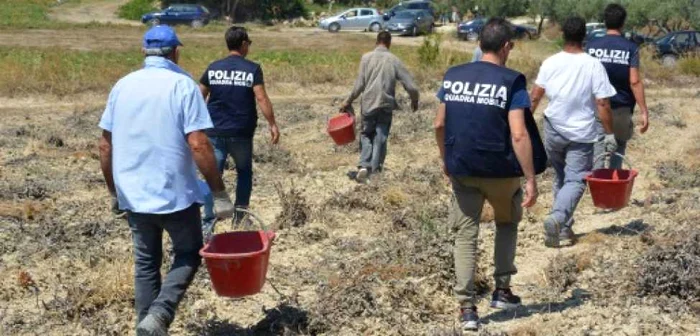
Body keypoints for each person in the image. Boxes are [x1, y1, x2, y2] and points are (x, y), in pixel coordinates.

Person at [98, 25, 235, 335]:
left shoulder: (122, 86)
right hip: (174, 194)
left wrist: (113, 192)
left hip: (134, 194)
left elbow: (105, 146)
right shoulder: (183, 86)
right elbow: (199, 144)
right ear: (176, 52)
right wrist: (219, 192)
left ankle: (145, 328)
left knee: (146, 265)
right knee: (188, 252)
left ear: (144, 52)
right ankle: (160, 314)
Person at [434, 18, 546, 331]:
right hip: (501, 171)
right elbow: (519, 134)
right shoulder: (513, 81)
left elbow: (439, 124)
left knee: (465, 235)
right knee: (507, 223)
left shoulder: (453, 75)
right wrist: (532, 179)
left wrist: (446, 160)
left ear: (480, 43)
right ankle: (502, 290)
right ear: (506, 46)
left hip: (463, 169)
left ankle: (467, 309)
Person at [530, 16, 617, 248]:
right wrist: (609, 134)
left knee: (561, 177)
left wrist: (526, 124)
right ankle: (558, 218)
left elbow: (535, 96)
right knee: (577, 180)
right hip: (581, 134)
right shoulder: (593, 65)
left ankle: (563, 230)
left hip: (553, 129)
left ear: (563, 37)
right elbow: (603, 104)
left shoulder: (550, 62)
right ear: (584, 38)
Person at [199, 26, 280, 226]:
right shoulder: (252, 69)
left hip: (215, 130)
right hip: (241, 132)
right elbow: (261, 98)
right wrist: (272, 124)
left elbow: (199, 96)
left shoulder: (213, 67)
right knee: (244, 172)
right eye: (249, 43)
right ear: (243, 44)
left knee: (212, 174)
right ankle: (241, 217)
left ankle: (208, 220)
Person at [340, 31, 420, 182]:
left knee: (366, 134)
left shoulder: (366, 58)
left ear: (376, 42)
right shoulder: (394, 60)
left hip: (369, 103)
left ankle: (364, 165)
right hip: (385, 104)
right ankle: (375, 171)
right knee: (380, 137)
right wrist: (414, 100)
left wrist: (348, 101)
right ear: (389, 43)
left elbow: (359, 85)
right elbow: (411, 86)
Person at [587, 3, 650, 169]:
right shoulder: (631, 48)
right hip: (621, 108)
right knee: (619, 147)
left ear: (605, 22)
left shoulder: (592, 46)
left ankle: (598, 186)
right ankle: (614, 185)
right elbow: (634, 81)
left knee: (597, 150)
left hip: (595, 108)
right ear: (623, 23)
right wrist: (644, 111)